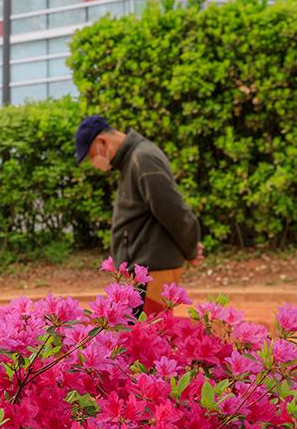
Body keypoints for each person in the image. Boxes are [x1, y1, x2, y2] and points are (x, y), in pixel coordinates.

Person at [75, 115, 203, 315]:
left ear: (102, 142)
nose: (95, 163)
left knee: (149, 338)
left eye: (92, 156)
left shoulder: (142, 158)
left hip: (152, 270)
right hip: (144, 268)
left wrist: (191, 248)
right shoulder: (133, 159)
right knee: (142, 338)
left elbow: (172, 210)